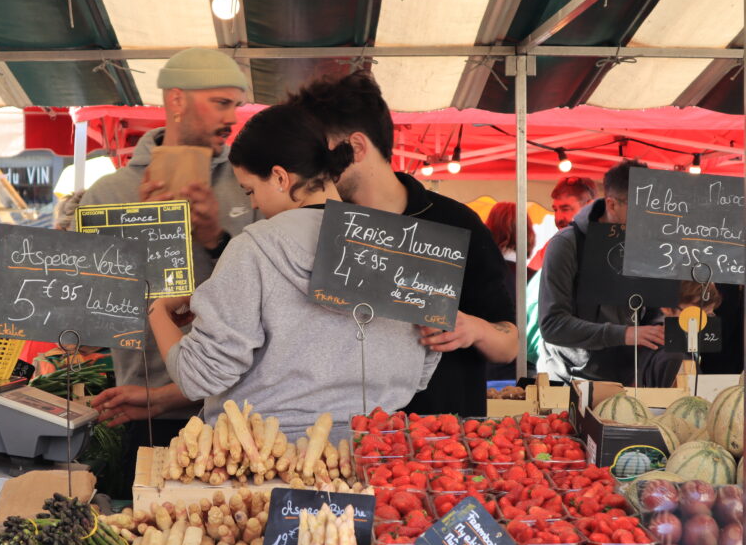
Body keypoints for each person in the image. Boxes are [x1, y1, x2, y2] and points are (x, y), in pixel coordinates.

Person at [149, 105, 438, 439]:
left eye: (250, 190)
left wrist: (159, 312)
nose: (253, 204)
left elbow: (198, 376)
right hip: (374, 450)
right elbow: (422, 369)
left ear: (280, 177)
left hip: (264, 456)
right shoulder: (401, 244)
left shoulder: (254, 248)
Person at [286, 70, 516, 417]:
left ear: (356, 147)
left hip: (440, 437)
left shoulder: (455, 223)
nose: (310, 166)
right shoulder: (314, 227)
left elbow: (509, 344)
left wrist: (474, 329)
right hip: (343, 433)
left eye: (319, 153)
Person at [85, 48, 255, 454]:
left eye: (235, 105)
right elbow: (92, 319)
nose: (232, 118)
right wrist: (143, 237)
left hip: (240, 409)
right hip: (144, 409)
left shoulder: (250, 184)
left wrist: (214, 238)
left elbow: (266, 298)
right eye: (221, 103)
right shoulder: (109, 193)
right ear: (177, 100)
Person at [538, 160, 661, 384]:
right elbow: (552, 324)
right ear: (612, 205)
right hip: (570, 383)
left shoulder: (645, 246)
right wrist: (625, 334)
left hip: (630, 381)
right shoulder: (567, 244)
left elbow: (653, 311)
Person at [526, 176, 599, 376]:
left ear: (590, 206)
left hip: (585, 363)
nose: (558, 217)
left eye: (566, 209)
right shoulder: (554, 246)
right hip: (546, 359)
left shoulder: (603, 249)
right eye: (555, 209)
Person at [484, 202, 535, 380]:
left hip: (487, 372)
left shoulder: (482, 276)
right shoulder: (535, 278)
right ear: (529, 233)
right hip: (527, 373)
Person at [639, 281, 721, 387]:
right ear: (667, 308)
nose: (701, 323)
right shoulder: (674, 357)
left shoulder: (681, 349)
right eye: (694, 314)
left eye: (708, 315)